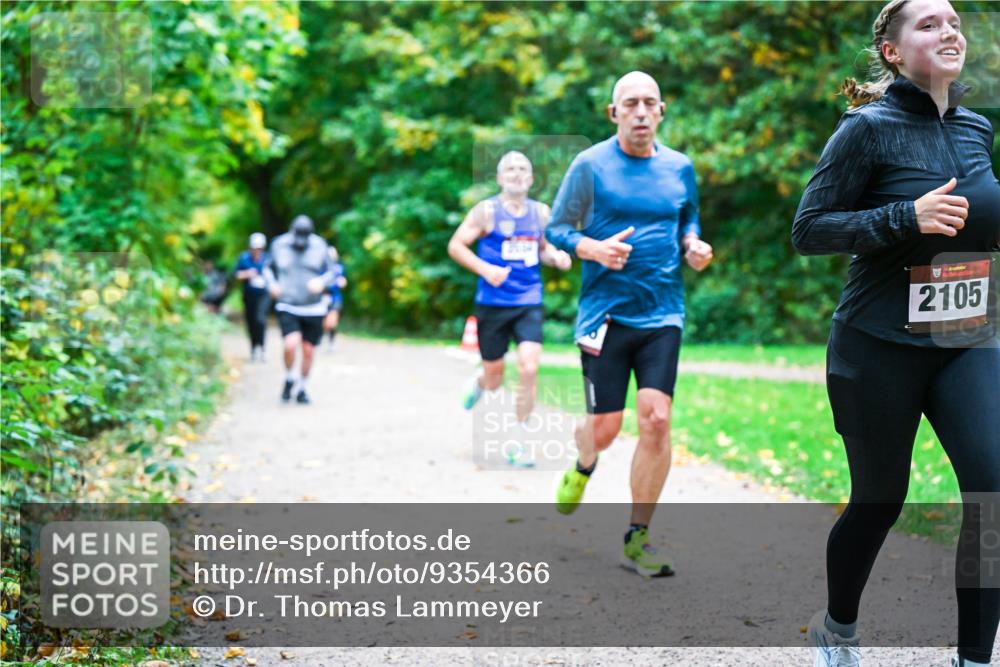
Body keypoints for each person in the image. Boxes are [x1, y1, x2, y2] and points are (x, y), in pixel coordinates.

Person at [792, 1, 1000, 665]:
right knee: (881, 498)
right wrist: (903, 217)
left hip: (965, 338)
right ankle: (838, 627)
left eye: (954, 22)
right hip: (877, 344)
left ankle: (974, 657)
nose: (950, 31)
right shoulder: (865, 130)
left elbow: (975, 230)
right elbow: (810, 229)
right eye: (929, 23)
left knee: (993, 495)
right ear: (891, 51)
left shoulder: (976, 129)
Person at [544, 72, 714, 577]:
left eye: (649, 103)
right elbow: (556, 228)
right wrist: (591, 248)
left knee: (657, 419)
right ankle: (584, 461)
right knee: (604, 427)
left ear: (661, 111)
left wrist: (693, 246)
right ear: (613, 112)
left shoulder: (680, 168)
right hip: (606, 315)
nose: (640, 112)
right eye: (630, 104)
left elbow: (689, 220)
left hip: (663, 313)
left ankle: (638, 537)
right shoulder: (589, 165)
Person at [448, 151, 572, 467]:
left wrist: (557, 257)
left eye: (523, 169)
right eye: (510, 169)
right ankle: (479, 383)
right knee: (494, 377)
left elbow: (542, 250)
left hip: (529, 300)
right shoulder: (486, 211)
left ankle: (519, 442)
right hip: (493, 303)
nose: (517, 174)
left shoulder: (541, 213)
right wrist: (485, 269)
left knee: (529, 368)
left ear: (530, 179)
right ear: (501, 178)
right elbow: (456, 245)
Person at [264, 215, 336, 405]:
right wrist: (272, 284)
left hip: (313, 307)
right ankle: (289, 377)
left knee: (308, 350)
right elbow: (266, 268)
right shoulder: (278, 245)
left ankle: (302, 388)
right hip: (287, 303)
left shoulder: (320, 246)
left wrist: (321, 281)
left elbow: (333, 271)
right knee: (290, 343)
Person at [234, 232, 271, 361]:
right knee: (251, 322)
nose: (257, 251)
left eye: (259, 248)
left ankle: (262, 348)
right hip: (249, 295)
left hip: (264, 294)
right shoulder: (244, 258)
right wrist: (247, 274)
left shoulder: (267, 259)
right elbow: (236, 274)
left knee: (260, 319)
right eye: (254, 248)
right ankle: (254, 348)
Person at [323, 246, 347, 350]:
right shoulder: (321, 267)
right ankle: (320, 339)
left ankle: (331, 343)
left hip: (335, 298)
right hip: (321, 298)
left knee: (332, 321)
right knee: (323, 322)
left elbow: (342, 281)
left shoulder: (339, 268)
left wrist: (342, 282)